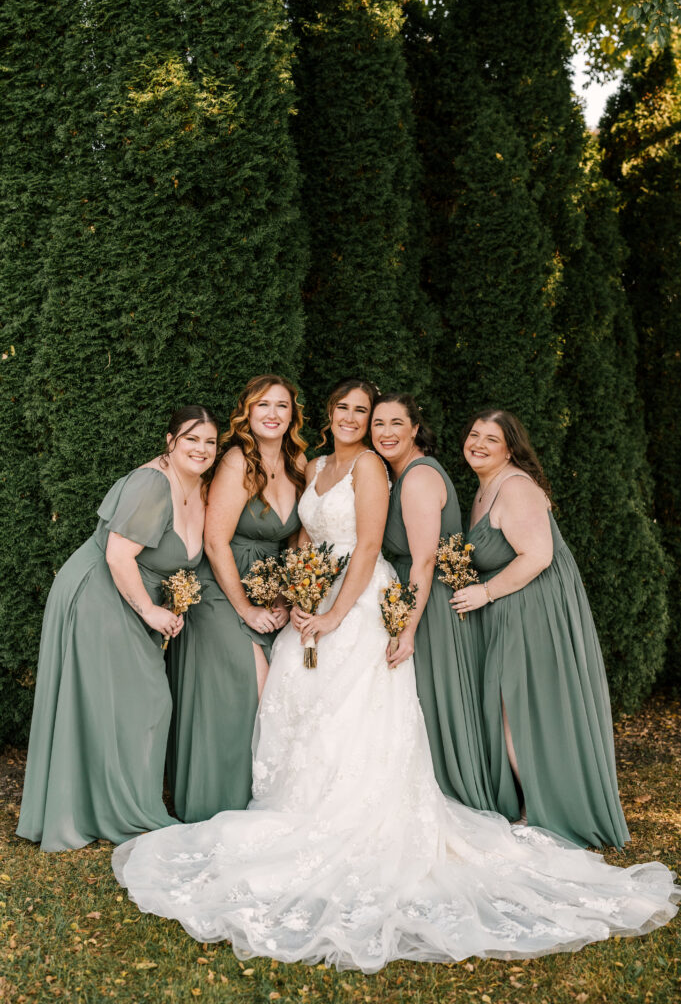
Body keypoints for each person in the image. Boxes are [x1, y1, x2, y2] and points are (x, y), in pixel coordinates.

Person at [112, 382, 677, 973]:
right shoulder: (316, 465)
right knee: (301, 701)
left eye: (366, 413)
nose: (356, 420)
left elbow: (367, 547)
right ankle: (295, 806)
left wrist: (334, 614)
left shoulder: (373, 469)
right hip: (315, 593)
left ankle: (351, 817)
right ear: (329, 414)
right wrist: (300, 592)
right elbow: (305, 535)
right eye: (347, 409)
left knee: (354, 707)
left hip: (358, 601)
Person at [17, 406, 218, 851]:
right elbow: (117, 556)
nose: (202, 449)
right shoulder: (152, 484)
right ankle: (111, 811)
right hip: (100, 594)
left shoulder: (198, 486)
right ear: (170, 441)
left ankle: (115, 804)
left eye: (210, 442)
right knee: (135, 702)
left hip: (134, 598)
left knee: (138, 704)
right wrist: (150, 612)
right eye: (192, 439)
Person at [452, 409, 630, 849]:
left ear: (509, 449)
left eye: (491, 439)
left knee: (522, 706)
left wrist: (485, 592)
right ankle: (531, 802)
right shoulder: (484, 487)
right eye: (474, 435)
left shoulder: (515, 487)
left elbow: (538, 556)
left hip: (535, 607)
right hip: (510, 605)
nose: (478, 444)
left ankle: (543, 811)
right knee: (510, 704)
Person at [166, 375, 306, 822]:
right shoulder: (236, 461)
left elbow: (293, 542)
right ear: (247, 412)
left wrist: (284, 597)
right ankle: (220, 802)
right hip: (221, 590)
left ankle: (264, 799)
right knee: (254, 680)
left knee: (282, 686)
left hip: (269, 589)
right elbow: (215, 541)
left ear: (293, 415)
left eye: (281, 405)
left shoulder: (298, 462)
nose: (272, 413)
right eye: (262, 404)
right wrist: (246, 607)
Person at [372, 393, 495, 810]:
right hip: (418, 595)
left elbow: (423, 561)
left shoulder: (419, 477)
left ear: (414, 429)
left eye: (396, 423)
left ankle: (450, 793)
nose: (386, 432)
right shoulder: (400, 474)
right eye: (378, 424)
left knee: (434, 699)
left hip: (429, 604)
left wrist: (407, 629)